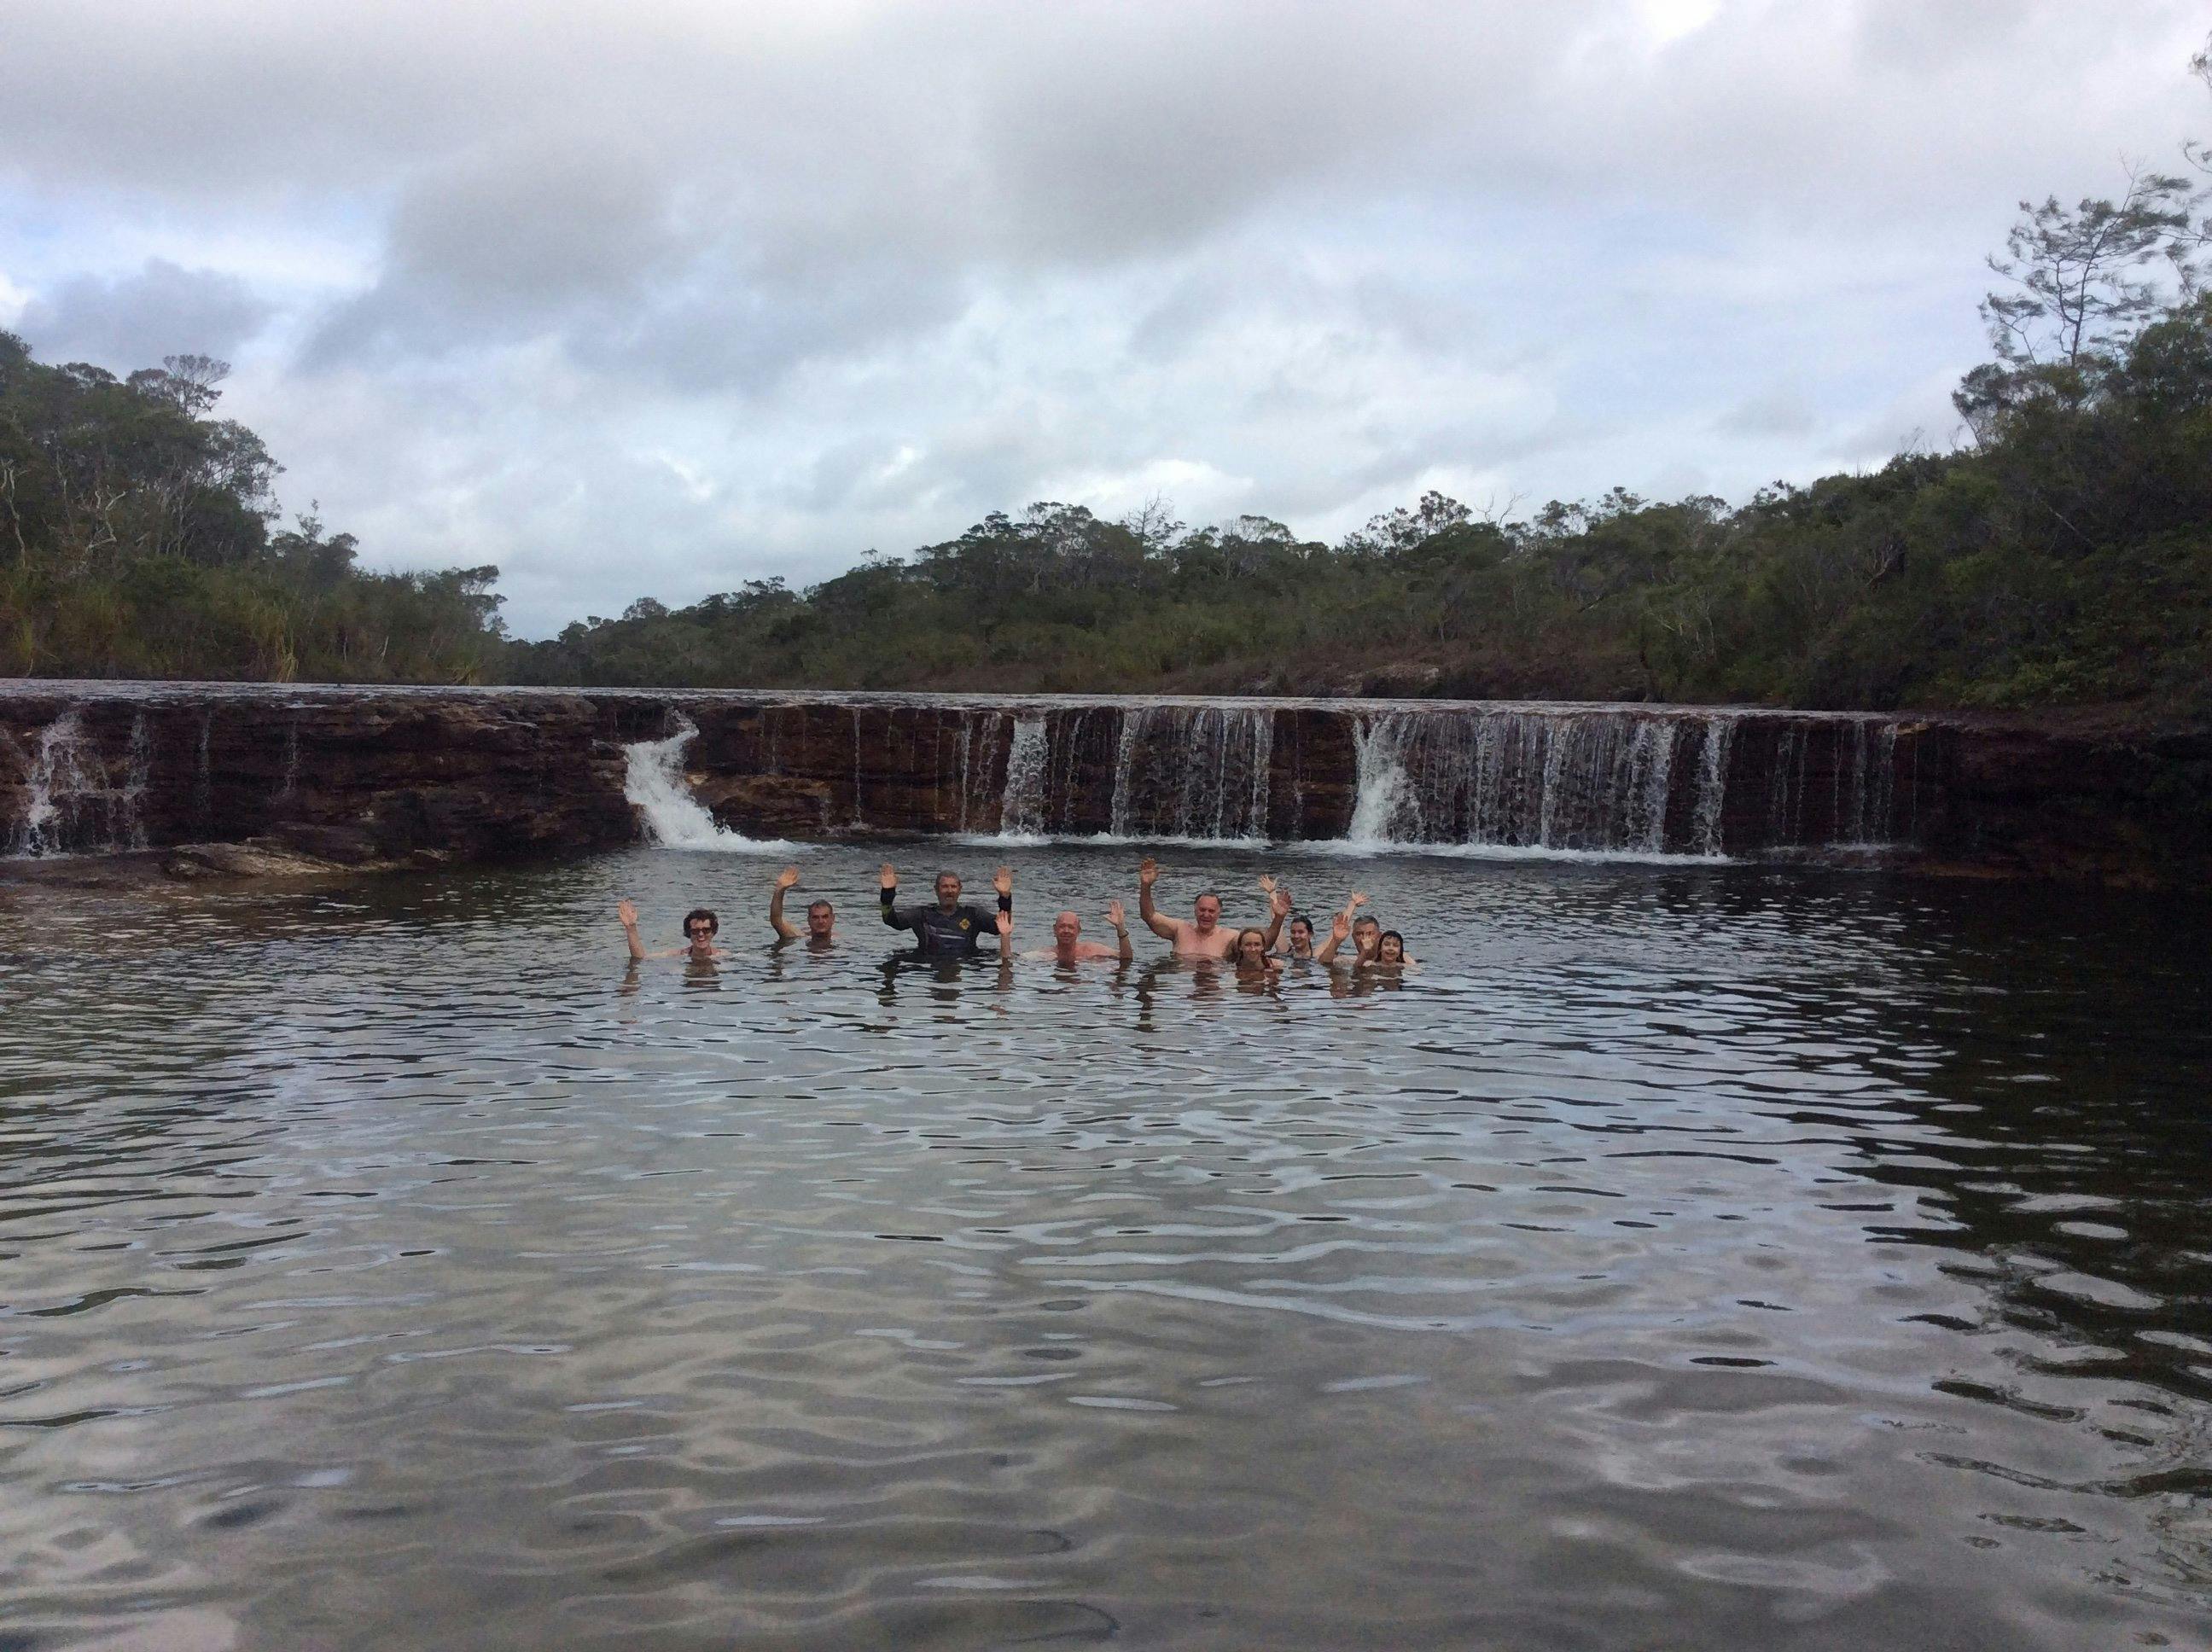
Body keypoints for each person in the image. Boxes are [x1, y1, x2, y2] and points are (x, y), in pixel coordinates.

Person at [1137, 857, 1288, 959]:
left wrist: (1279, 918)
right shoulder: (1180, 929)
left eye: (1211, 911)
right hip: (1182, 985)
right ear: (1195, 910)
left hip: (1216, 984)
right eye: (1202, 910)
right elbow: (1149, 916)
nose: (1206, 915)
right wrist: (1145, 886)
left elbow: (1264, 946)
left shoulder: (1230, 937)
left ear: (1219, 913)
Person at [879, 862, 1014, 956]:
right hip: (928, 962)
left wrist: (1005, 897)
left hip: (965, 962)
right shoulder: (922, 914)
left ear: (960, 889)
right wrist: (887, 893)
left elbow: (1002, 926)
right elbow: (892, 921)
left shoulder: (973, 914)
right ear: (936, 890)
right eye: (945, 887)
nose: (950, 891)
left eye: (954, 887)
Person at [618, 899, 728, 962]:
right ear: (688, 933)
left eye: (706, 930)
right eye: (695, 931)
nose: (701, 934)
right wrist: (631, 928)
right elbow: (641, 958)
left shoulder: (722, 956)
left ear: (713, 932)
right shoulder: (678, 955)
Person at [1027, 900, 1134, 963]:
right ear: (1054, 930)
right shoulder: (1046, 955)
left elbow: (1126, 958)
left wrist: (1120, 928)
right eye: (1062, 926)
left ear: (1079, 931)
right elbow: (1012, 958)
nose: (1066, 931)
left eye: (1071, 927)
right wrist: (1008, 935)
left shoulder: (1093, 951)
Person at [768, 866, 835, 945]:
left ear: (833, 918)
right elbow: (776, 921)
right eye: (815, 917)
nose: (820, 921)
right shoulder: (800, 936)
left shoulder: (843, 940)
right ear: (808, 920)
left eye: (825, 917)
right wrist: (779, 891)